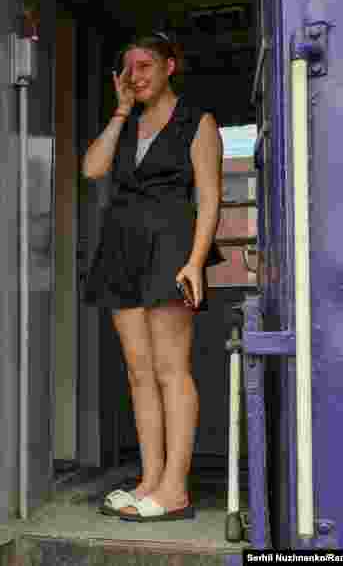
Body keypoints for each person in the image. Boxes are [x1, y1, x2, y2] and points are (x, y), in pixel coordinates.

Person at [81, 32, 224, 522]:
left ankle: (175, 489)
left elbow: (209, 198)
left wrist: (196, 261)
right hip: (122, 250)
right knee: (139, 373)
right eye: (128, 69)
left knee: (171, 370)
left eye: (144, 66)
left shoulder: (197, 122)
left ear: (169, 66)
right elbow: (92, 168)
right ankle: (150, 479)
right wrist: (120, 111)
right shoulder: (128, 124)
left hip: (172, 250)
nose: (135, 76)